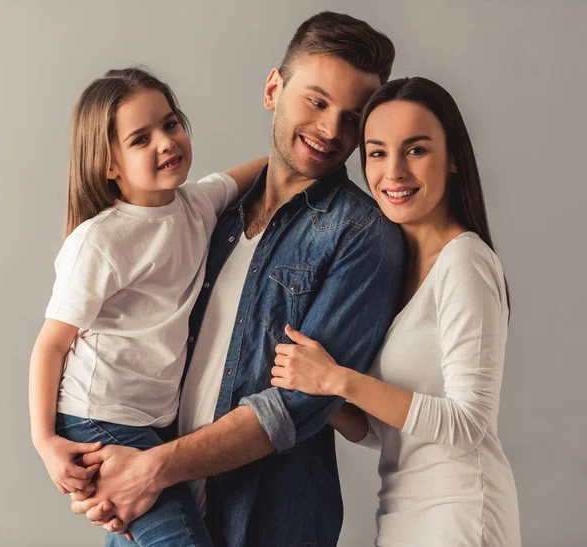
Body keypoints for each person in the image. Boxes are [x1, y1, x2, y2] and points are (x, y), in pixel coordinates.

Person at [69, 12, 405, 547]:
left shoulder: (363, 236)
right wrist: (100, 461)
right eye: (316, 102)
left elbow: (297, 406)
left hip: (266, 522)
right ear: (274, 88)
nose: (330, 130)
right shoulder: (207, 218)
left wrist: (152, 469)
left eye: (352, 117)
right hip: (155, 512)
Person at [271, 76, 522, 547]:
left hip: (461, 512)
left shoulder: (464, 262)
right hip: (401, 513)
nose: (394, 172)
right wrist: (318, 396)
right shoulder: (393, 269)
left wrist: (337, 380)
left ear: (452, 160)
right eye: (377, 152)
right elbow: (384, 432)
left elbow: (468, 424)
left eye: (416, 150)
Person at [29, 67, 265, 546]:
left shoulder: (196, 204)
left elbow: (270, 168)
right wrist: (45, 442)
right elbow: (51, 346)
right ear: (109, 164)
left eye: (171, 123)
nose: (165, 142)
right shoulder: (101, 241)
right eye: (140, 138)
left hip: (152, 422)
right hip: (100, 417)